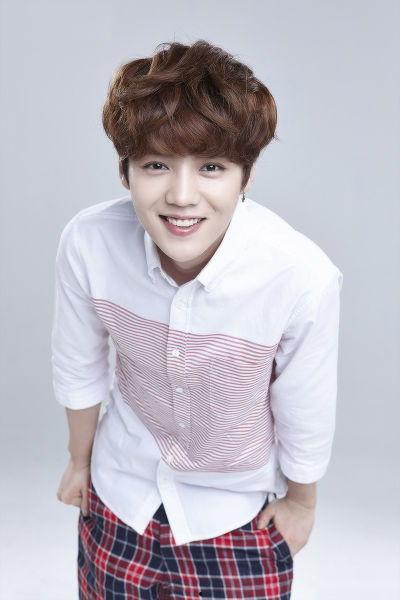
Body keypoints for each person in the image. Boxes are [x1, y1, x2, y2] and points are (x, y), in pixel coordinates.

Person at [52, 39, 343, 599]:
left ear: (246, 176)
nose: (182, 196)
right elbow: (78, 362)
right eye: (156, 165)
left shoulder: (300, 275)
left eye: (212, 167)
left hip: (235, 514)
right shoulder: (89, 242)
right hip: (120, 494)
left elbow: (305, 404)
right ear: (125, 172)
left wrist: (303, 503)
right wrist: (79, 462)